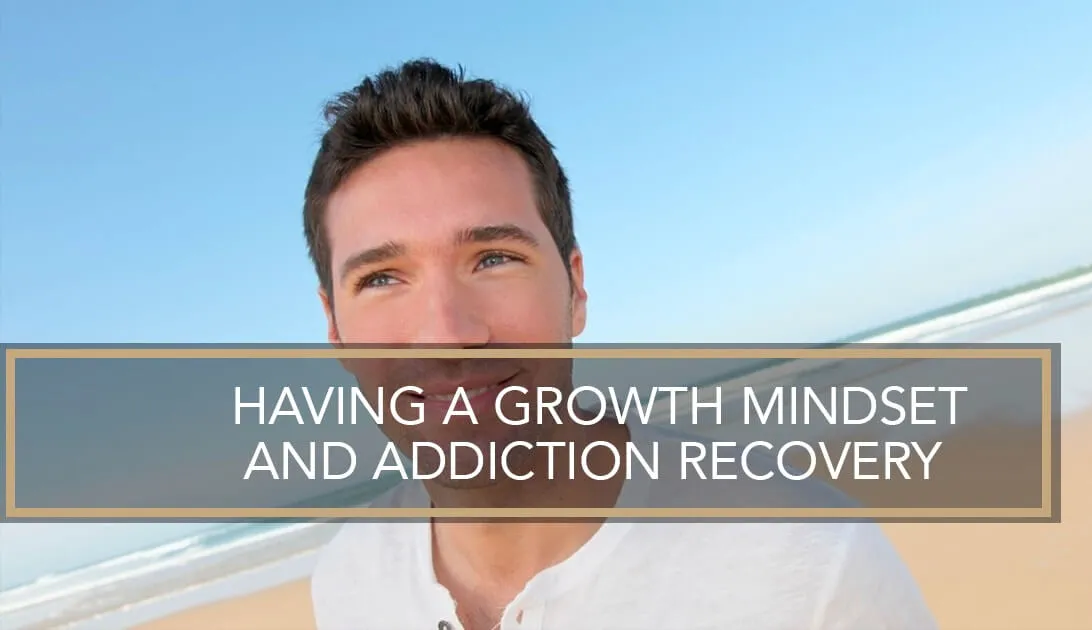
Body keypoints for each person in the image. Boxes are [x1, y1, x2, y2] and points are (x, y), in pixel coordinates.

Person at [304, 58, 938, 630]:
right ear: (336, 329)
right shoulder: (347, 583)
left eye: (493, 258)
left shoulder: (804, 555)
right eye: (382, 278)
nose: (446, 332)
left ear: (575, 289)